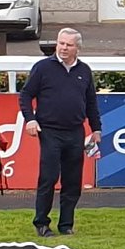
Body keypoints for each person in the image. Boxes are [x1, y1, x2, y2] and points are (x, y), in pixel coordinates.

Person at [19, 28, 102, 237]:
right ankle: (42, 223)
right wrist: (30, 119)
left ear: (77, 48)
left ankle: (66, 224)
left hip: (75, 131)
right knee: (48, 178)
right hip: (49, 131)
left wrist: (96, 128)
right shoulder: (43, 68)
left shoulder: (84, 71)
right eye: (61, 43)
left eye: (68, 45)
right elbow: (26, 95)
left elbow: (91, 102)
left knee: (73, 180)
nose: (64, 48)